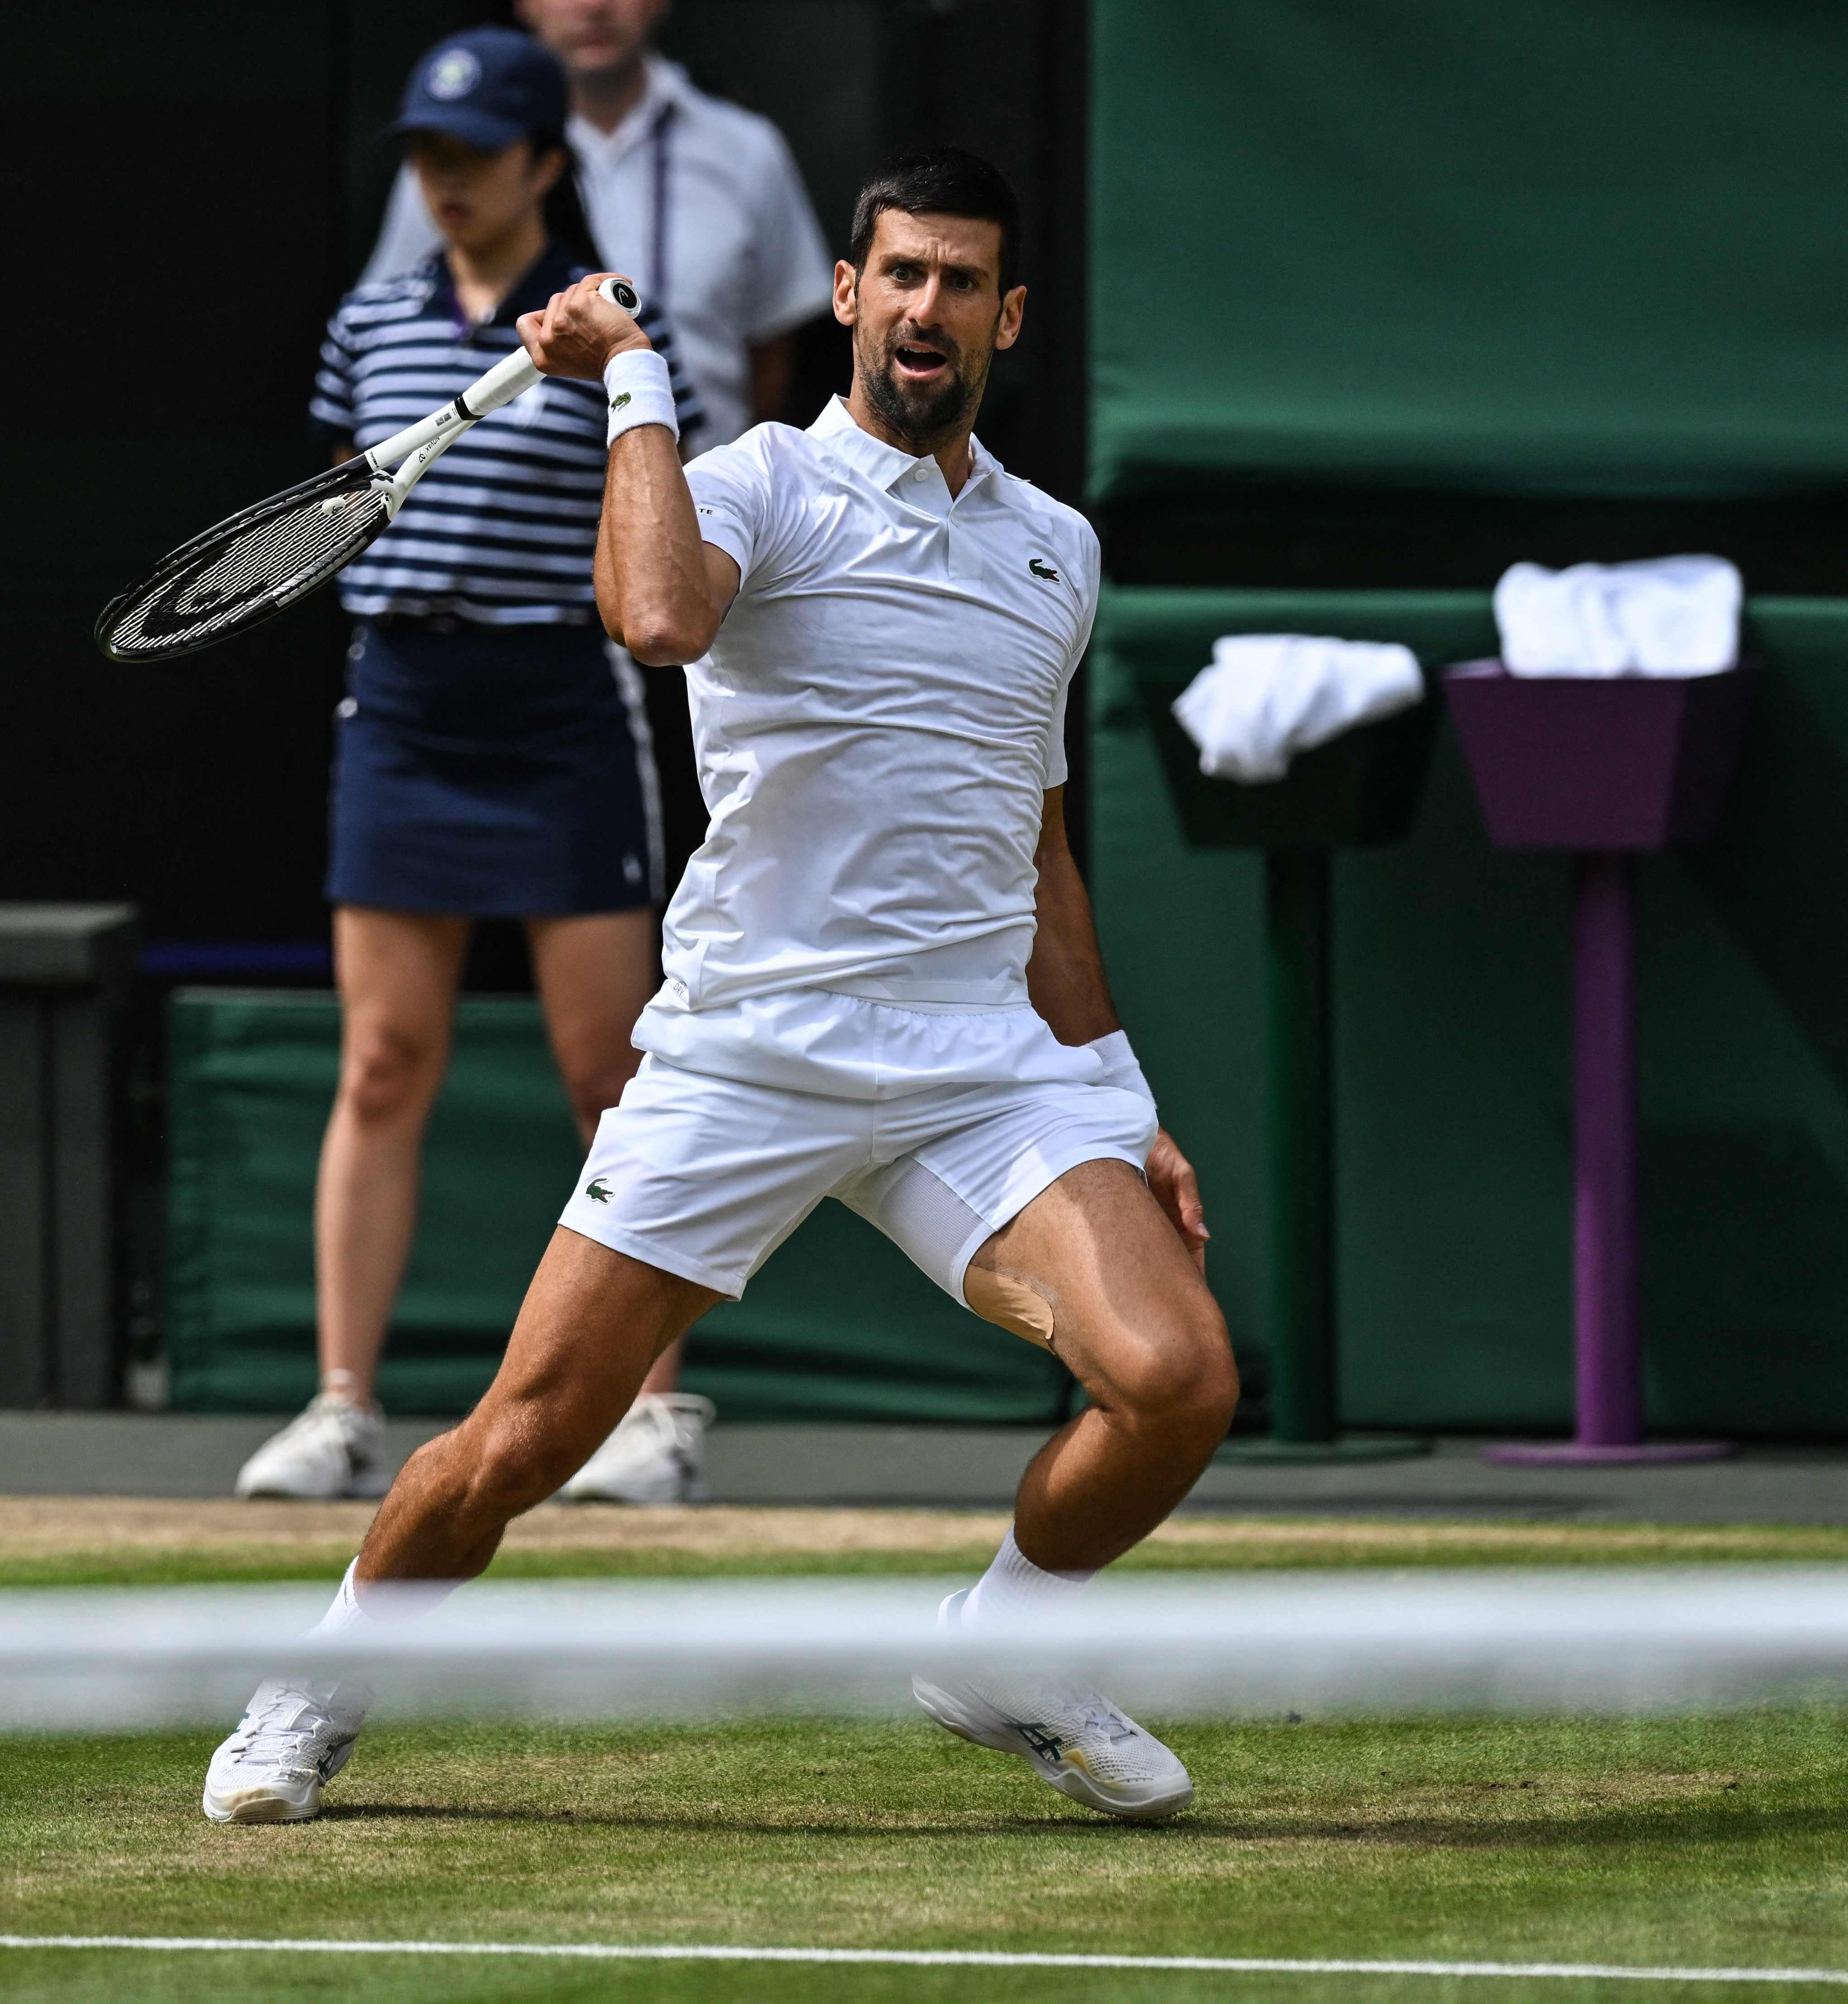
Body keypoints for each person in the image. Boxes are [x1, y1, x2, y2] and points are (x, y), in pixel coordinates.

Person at [205, 147, 1234, 1829]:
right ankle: (316, 1680)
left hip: (979, 1066)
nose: (924, 308)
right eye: (897, 274)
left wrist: (1119, 1100)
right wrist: (629, 381)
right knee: (520, 1441)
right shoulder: (748, 481)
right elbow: (655, 614)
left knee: (1177, 1373)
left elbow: (1036, 853)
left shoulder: (1057, 548)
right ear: (845, 295)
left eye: (959, 281)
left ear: (1005, 316)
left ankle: (1004, 1646)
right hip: (747, 1052)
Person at [229, 26, 717, 1509]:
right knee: (379, 1062)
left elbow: (655, 515)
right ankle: (338, 1407)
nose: (443, 182)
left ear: (540, 168)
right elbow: (326, 515)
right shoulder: (366, 323)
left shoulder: (619, 334)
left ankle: (655, 1413)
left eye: (472, 157)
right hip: (401, 714)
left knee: (606, 1074)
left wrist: (609, 358)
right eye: (424, 159)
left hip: (557, 713)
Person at [357, 0, 827, 452]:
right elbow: (391, 334)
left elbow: (773, 347)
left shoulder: (746, 148)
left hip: (700, 510)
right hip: (517, 511)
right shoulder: (463, 154)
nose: (594, 1)